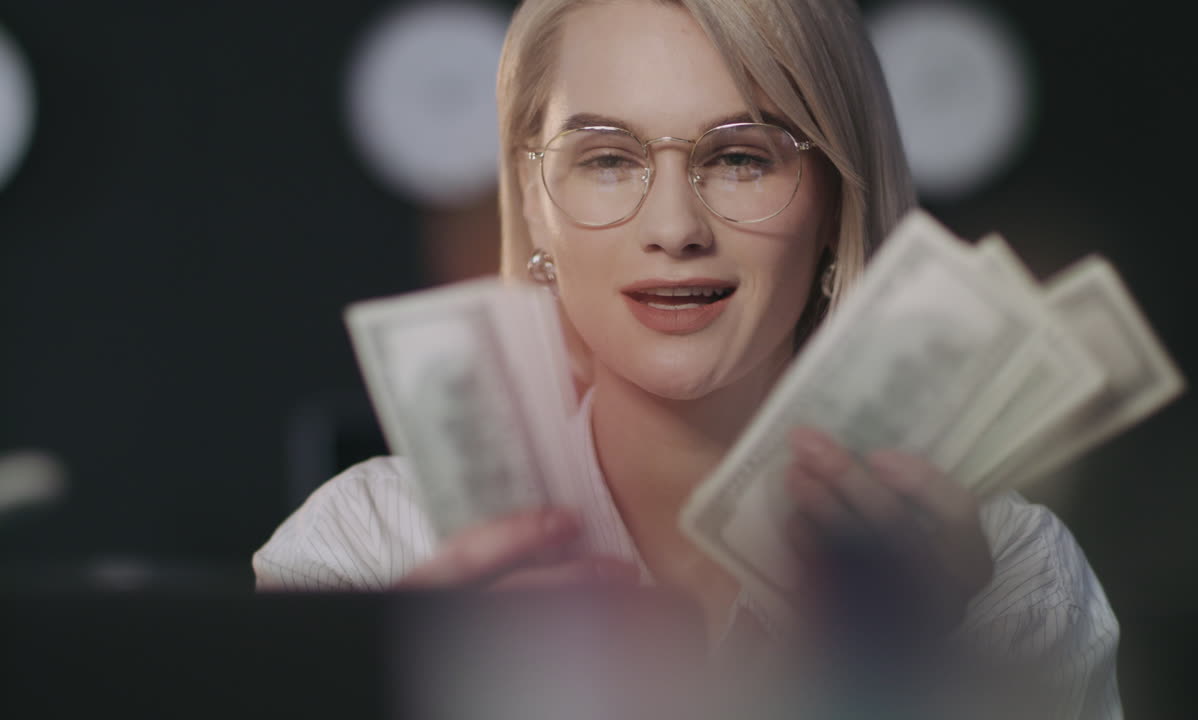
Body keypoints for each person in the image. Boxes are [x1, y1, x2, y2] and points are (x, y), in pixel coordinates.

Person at [255, 0, 1120, 716]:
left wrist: (899, 672)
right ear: (532, 197)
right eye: (608, 159)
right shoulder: (363, 550)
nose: (674, 228)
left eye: (741, 157)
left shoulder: (1014, 575)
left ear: (833, 204)